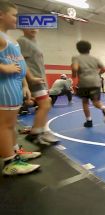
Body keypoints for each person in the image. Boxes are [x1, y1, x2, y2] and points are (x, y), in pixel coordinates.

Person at [0, 1, 41, 175]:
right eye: (14, 15)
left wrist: (25, 84)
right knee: (4, 125)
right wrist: (3, 67)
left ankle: (15, 152)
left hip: (15, 83)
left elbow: (20, 61)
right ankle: (9, 163)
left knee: (12, 124)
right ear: (1, 14)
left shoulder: (9, 38)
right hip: (5, 84)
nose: (17, 19)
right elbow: (10, 65)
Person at [17, 28, 60, 146]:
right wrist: (29, 79)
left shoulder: (34, 43)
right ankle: (35, 134)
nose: (33, 28)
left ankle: (44, 131)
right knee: (45, 103)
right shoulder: (22, 41)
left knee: (46, 102)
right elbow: (21, 62)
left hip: (40, 79)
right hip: (34, 79)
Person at [72, 40, 105, 128]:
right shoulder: (95, 59)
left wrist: (74, 75)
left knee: (85, 102)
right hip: (96, 82)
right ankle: (103, 108)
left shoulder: (76, 58)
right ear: (89, 49)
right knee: (96, 102)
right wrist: (98, 74)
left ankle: (89, 121)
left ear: (78, 49)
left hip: (84, 83)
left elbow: (74, 68)